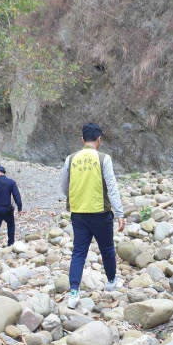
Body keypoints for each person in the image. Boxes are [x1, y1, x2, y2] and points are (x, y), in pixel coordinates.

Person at [60, 123, 125, 308]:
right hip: (100, 213)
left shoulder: (70, 159)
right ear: (99, 140)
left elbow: (64, 187)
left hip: (78, 213)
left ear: (82, 140)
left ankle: (73, 293)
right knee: (107, 248)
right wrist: (120, 213)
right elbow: (112, 187)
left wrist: (76, 197)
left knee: (79, 252)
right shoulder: (104, 158)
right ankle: (111, 281)